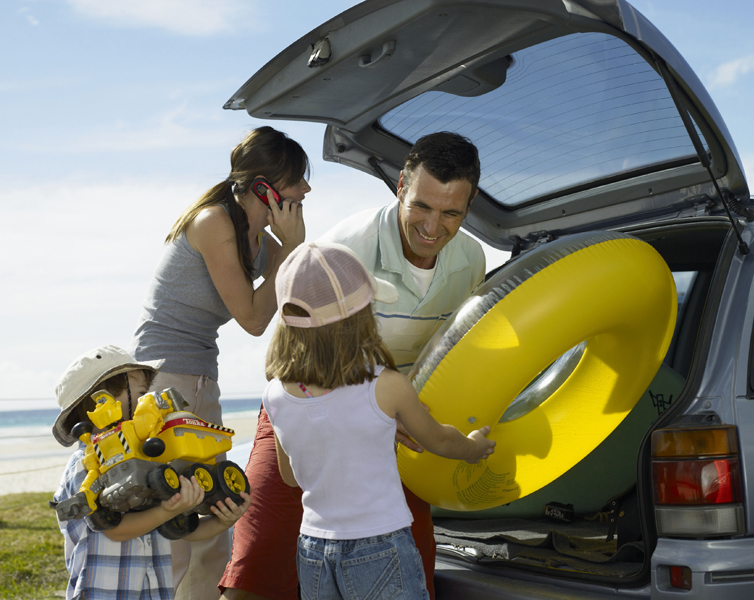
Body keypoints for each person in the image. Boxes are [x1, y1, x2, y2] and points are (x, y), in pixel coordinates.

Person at [220, 132, 485, 600]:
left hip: (389, 407)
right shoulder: (345, 248)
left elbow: (453, 351)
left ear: (470, 206)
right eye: (421, 205)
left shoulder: (470, 261)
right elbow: (286, 344)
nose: (432, 226)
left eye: (451, 214)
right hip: (306, 398)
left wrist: (398, 412)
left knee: (413, 557)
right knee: (258, 564)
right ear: (401, 185)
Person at [129, 126, 310, 600]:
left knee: (214, 524)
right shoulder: (213, 222)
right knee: (176, 525)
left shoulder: (263, 244)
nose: (306, 191)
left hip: (201, 380)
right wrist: (288, 252)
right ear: (265, 187)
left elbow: (287, 301)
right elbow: (252, 317)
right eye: (298, 181)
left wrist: (290, 254)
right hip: (165, 381)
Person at [263, 242, 495, 600]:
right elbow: (440, 441)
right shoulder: (386, 387)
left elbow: (291, 477)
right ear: (359, 320)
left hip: (313, 549)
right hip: (379, 546)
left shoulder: (275, 395)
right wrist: (474, 447)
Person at [52, 345, 252, 600]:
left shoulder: (147, 462)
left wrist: (223, 521)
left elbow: (182, 529)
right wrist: (168, 510)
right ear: (102, 402)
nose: (148, 400)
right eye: (141, 393)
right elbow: (115, 529)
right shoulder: (85, 464)